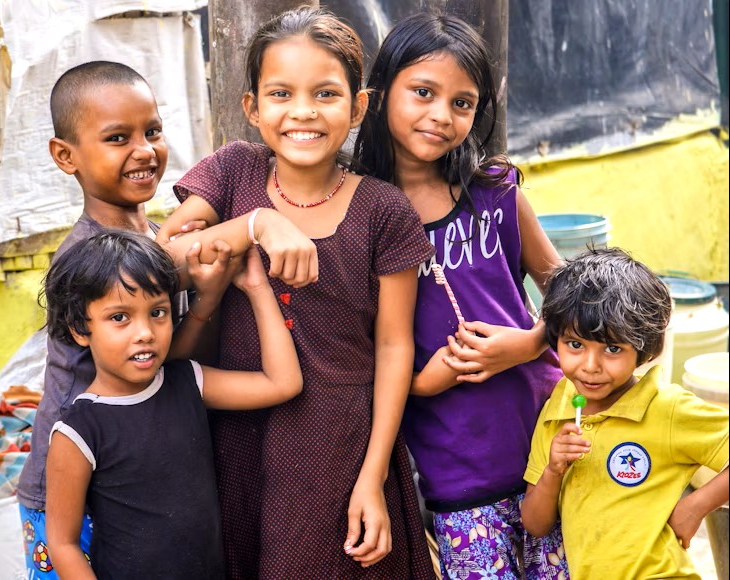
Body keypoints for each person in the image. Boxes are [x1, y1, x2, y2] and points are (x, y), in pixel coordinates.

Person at [155, 6, 435, 578]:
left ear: (359, 106)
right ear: (253, 108)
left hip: (339, 448)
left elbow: (393, 349)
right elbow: (161, 263)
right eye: (281, 93)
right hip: (236, 441)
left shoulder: (384, 212)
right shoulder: (233, 173)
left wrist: (374, 475)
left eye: (326, 94)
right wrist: (255, 224)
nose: (302, 112)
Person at [16, 60, 315, 579]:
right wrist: (262, 220)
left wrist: (208, 296)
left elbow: (172, 359)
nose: (144, 149)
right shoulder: (88, 256)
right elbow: (178, 258)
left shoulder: (155, 237)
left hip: (141, 468)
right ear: (66, 156)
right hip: (72, 479)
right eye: (117, 137)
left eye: (152, 131)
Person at [352, 13, 569, 579]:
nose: (441, 116)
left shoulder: (495, 189)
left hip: (546, 447)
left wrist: (527, 344)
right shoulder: (359, 213)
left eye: (462, 103)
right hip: (457, 470)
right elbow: (358, 347)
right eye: (422, 92)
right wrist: (428, 379)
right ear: (379, 94)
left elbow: (573, 295)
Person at [43, 230, 302, 579]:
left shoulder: (187, 382)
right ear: (79, 328)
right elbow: (63, 544)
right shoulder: (78, 432)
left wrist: (258, 289)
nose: (146, 332)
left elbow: (283, 383)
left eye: (158, 312)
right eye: (120, 317)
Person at [521, 247, 729, 579]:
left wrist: (696, 506)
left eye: (613, 349)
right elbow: (535, 523)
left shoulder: (665, 408)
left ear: (643, 350)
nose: (590, 367)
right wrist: (553, 471)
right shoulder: (558, 409)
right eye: (575, 344)